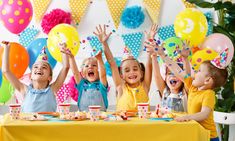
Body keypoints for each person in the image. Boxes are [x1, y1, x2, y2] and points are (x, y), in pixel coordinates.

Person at [144, 41, 228, 141]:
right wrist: (162, 54)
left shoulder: (208, 94)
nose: (195, 73)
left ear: (207, 80)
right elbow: (176, 70)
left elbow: (204, 114)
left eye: (199, 71)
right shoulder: (192, 87)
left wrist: (187, 117)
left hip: (208, 137)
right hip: (195, 133)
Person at [93, 24, 156, 111]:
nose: (132, 72)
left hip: (142, 124)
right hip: (122, 124)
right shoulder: (121, 87)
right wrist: (104, 43)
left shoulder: (144, 86)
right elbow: (112, 63)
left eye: (135, 69)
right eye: (127, 70)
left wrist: (150, 41)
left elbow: (149, 64)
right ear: (121, 75)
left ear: (141, 73)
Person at [2, 41, 70, 112]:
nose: (39, 68)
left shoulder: (52, 89)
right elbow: (6, 71)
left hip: (48, 123)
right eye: (36, 67)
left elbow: (66, 67)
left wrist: (63, 50)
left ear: (49, 77)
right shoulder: (24, 89)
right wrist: (6, 48)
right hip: (27, 123)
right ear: (30, 76)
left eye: (44, 67)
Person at [150, 41, 191, 112]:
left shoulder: (185, 92)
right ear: (165, 77)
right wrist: (154, 56)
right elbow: (157, 76)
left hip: (182, 123)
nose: (173, 76)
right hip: (166, 123)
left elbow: (187, 76)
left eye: (176, 74)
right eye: (169, 73)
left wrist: (185, 58)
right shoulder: (164, 91)